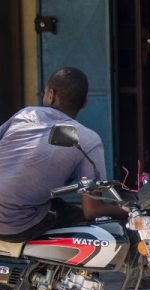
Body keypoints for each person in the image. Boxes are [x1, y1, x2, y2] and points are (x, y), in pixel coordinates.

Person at [0, 68, 122, 241]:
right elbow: (92, 210)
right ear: (84, 103)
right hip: (14, 226)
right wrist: (133, 210)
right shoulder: (88, 139)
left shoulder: (26, 114)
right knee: (82, 221)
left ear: (50, 94)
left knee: (57, 206)